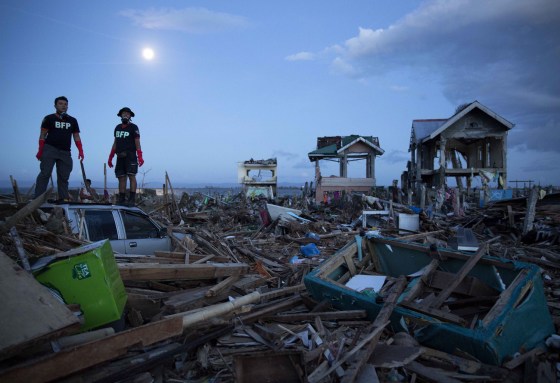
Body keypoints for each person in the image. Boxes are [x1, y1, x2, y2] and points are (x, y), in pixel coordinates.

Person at [34, 96, 84, 201]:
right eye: (60, 104)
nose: (63, 106)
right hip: (50, 149)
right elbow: (43, 135)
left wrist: (80, 150)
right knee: (45, 173)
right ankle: (38, 199)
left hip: (65, 152)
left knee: (63, 177)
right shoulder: (49, 118)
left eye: (65, 104)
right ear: (55, 105)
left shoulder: (72, 120)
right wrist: (40, 151)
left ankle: (63, 198)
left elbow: (76, 136)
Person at [107, 107, 144, 206]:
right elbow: (115, 143)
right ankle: (122, 199)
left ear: (130, 116)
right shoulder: (117, 127)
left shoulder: (134, 127)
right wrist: (110, 157)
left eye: (128, 114)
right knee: (121, 177)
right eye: (124, 113)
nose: (126, 115)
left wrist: (140, 156)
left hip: (130, 155)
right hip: (120, 156)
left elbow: (137, 142)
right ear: (121, 115)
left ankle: (132, 199)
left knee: (132, 176)